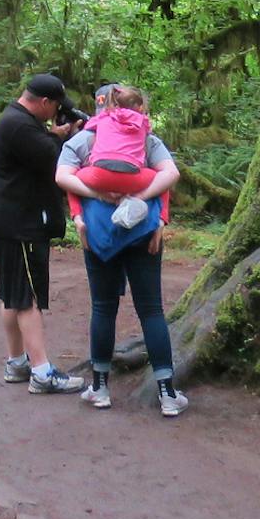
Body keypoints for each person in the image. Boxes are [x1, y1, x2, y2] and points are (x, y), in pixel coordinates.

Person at [56, 85, 188, 417]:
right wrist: (148, 207)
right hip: (142, 231)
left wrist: (91, 202)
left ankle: (100, 388)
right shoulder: (145, 137)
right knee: (151, 310)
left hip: (99, 232)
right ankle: (167, 393)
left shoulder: (85, 139)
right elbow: (170, 174)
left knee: (103, 307)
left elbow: (62, 176)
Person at [0, 74, 84, 394]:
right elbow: (53, 159)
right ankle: (42, 372)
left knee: (12, 294)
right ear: (44, 102)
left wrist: (55, 134)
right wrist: (65, 137)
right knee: (28, 297)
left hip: (9, 221)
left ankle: (16, 362)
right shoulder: (19, 126)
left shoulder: (16, 120)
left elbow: (43, 148)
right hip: (21, 225)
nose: (57, 114)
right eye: (56, 107)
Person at [64, 83, 170, 229]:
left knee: (72, 176)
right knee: (163, 176)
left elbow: (62, 177)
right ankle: (161, 220)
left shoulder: (85, 134)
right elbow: (171, 174)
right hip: (134, 186)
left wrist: (100, 195)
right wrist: (137, 197)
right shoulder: (146, 131)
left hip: (98, 186)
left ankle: (77, 217)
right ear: (140, 108)